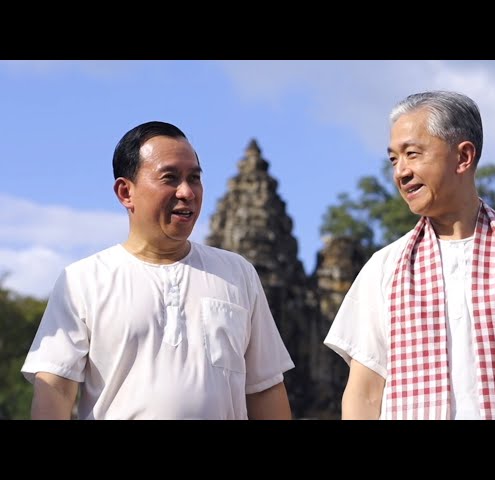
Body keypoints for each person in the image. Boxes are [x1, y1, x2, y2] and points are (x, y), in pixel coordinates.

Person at [324, 91, 495, 420]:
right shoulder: (384, 268)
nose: (401, 172)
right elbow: (364, 393)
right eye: (394, 159)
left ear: (463, 157)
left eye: (412, 154)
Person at [21, 121, 295, 420]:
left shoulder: (237, 273)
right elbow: (56, 388)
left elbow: (264, 387)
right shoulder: (83, 280)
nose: (187, 192)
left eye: (195, 178)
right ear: (126, 192)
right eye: (170, 178)